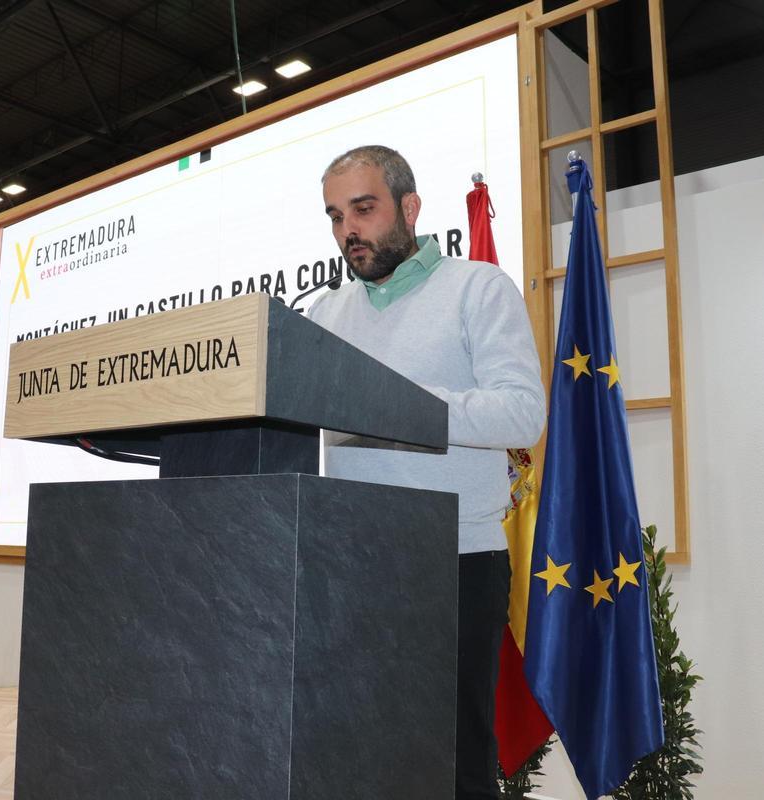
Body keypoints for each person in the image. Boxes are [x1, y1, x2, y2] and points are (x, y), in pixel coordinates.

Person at [307, 145, 546, 799]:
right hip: (350, 559)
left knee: (454, 761)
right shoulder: (324, 317)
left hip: (456, 558)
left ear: (408, 208)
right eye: (335, 216)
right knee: (364, 749)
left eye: (363, 209)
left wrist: (403, 407)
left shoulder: (477, 289)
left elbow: (524, 414)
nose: (348, 230)